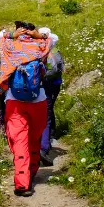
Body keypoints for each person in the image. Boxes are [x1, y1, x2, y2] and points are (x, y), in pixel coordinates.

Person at [0, 21, 55, 197]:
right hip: (39, 100)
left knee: (19, 141)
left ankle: (22, 183)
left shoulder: (9, 45)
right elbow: (54, 37)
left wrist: (12, 35)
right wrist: (38, 35)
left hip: (15, 101)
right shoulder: (41, 45)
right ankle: (33, 170)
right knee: (34, 138)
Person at [38, 27, 62, 166]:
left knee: (42, 116)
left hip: (41, 87)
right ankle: (45, 145)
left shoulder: (38, 51)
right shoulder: (54, 51)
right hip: (53, 85)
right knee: (47, 114)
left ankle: (43, 145)